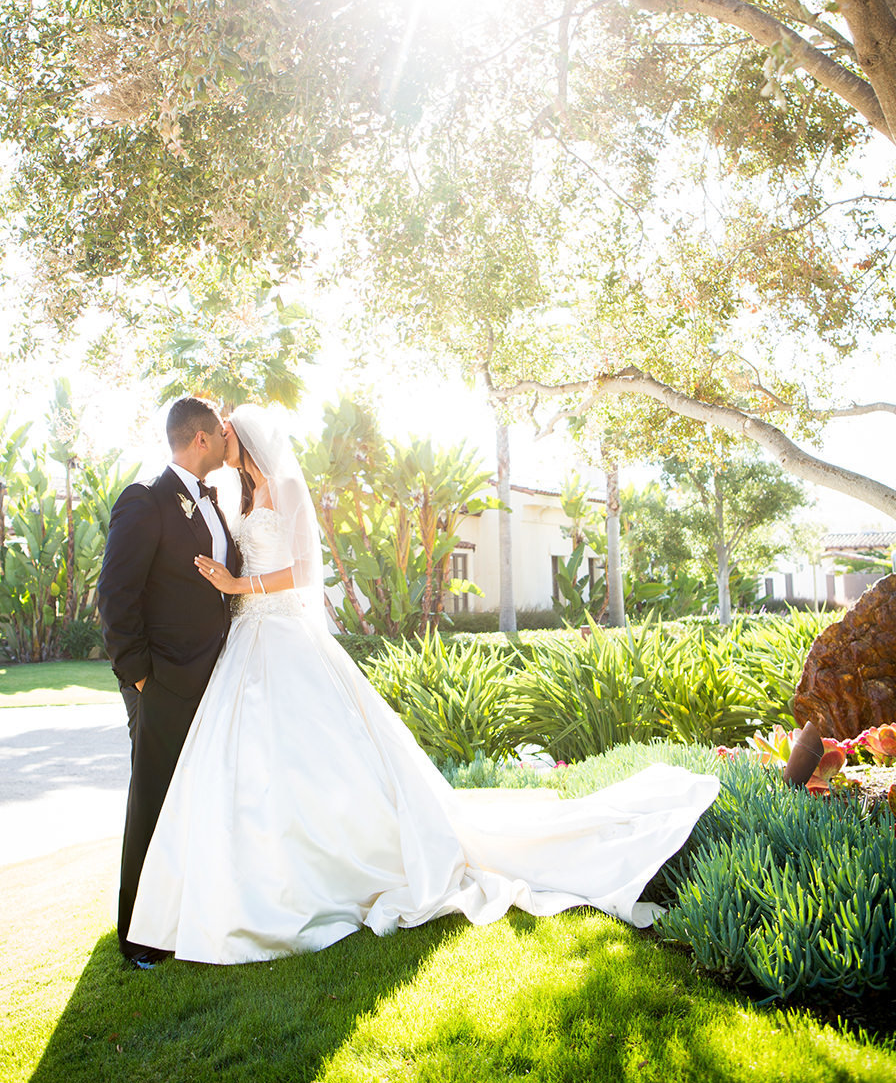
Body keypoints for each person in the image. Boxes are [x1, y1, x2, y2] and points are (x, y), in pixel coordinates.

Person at [128, 404, 720, 966]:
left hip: (280, 633)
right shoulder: (237, 493)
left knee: (311, 758)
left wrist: (240, 589)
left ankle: (330, 874)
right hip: (246, 643)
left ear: (243, 441)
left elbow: (307, 571)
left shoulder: (283, 487)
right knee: (250, 766)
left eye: (228, 437)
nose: (222, 446)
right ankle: (248, 883)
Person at [98, 395, 240, 968]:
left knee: (194, 801)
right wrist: (137, 678)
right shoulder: (146, 500)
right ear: (200, 439)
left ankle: (189, 911)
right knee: (153, 802)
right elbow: (115, 594)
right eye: (219, 435)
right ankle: (139, 936)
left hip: (216, 676)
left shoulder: (214, 502)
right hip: (162, 683)